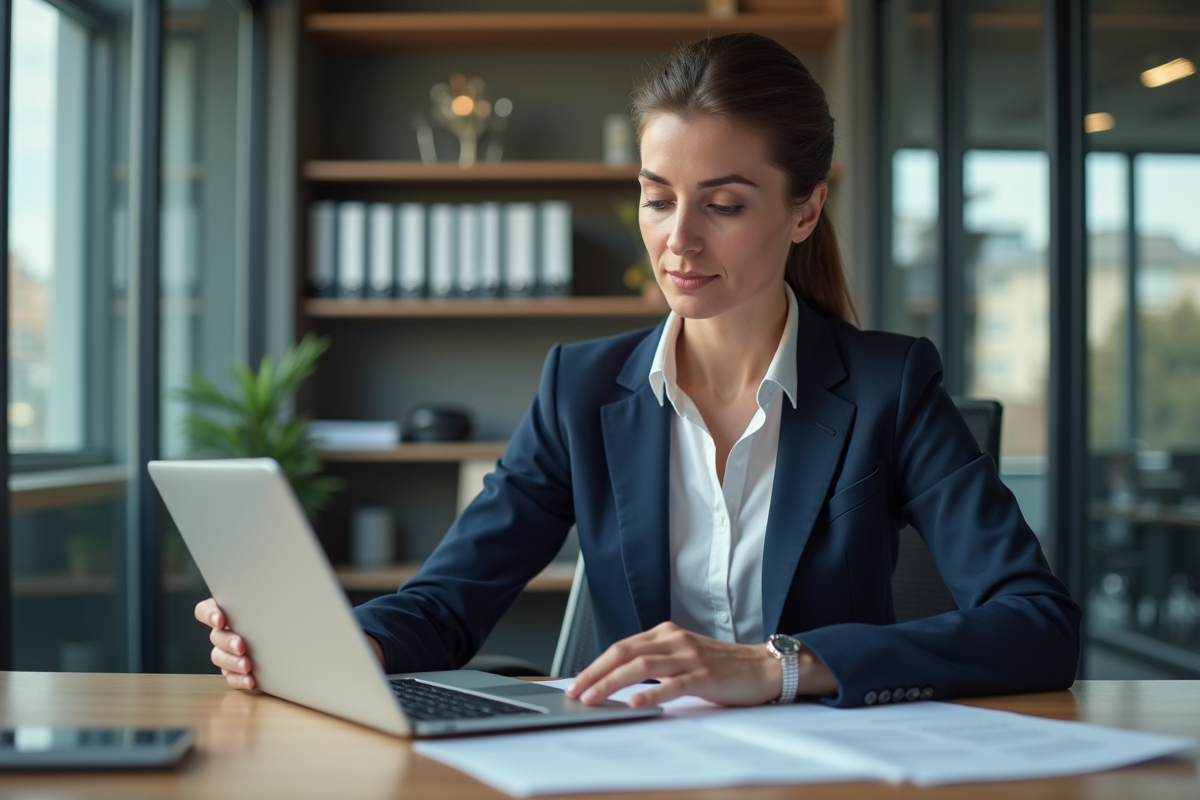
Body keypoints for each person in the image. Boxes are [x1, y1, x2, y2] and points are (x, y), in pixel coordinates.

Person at [197, 33, 1080, 709]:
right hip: (632, 771)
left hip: (827, 773)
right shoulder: (580, 389)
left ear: (806, 209)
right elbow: (447, 603)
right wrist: (326, 647)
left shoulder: (891, 385)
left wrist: (775, 668)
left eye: (724, 205)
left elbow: (1036, 627)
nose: (677, 239)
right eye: (658, 198)